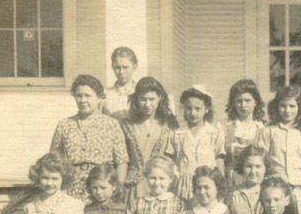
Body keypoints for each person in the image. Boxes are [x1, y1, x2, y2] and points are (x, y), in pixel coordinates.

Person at [50, 75, 129, 201]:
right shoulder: (64, 125)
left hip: (101, 189)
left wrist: (116, 189)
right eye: (79, 95)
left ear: (99, 98)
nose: (82, 100)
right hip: (71, 191)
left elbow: (121, 161)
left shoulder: (111, 124)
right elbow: (54, 160)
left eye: (88, 96)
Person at [121, 77, 182, 205]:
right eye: (143, 99)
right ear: (137, 100)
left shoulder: (169, 124)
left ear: (159, 98)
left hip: (160, 185)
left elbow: (173, 158)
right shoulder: (127, 125)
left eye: (152, 99)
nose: (148, 104)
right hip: (133, 186)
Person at [256, 85, 301, 187]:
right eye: (283, 106)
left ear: (300, 108)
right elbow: (260, 159)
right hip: (275, 185)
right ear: (276, 107)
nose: (287, 111)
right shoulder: (268, 131)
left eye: (292, 106)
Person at [176, 85, 226, 201]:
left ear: (206, 109)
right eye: (188, 108)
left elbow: (219, 158)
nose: (192, 113)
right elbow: (174, 160)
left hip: (207, 183)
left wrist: (221, 183)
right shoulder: (178, 134)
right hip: (185, 185)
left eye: (197, 109)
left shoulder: (214, 132)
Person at [223, 79, 266, 189]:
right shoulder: (225, 128)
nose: (243, 105)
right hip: (230, 182)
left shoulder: (263, 129)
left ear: (256, 102)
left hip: (256, 181)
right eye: (239, 101)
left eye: (248, 100)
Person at [103, 47, 138, 120]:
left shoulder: (141, 92)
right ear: (112, 67)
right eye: (117, 68)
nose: (121, 72)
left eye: (125, 67)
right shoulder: (105, 95)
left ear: (134, 66)